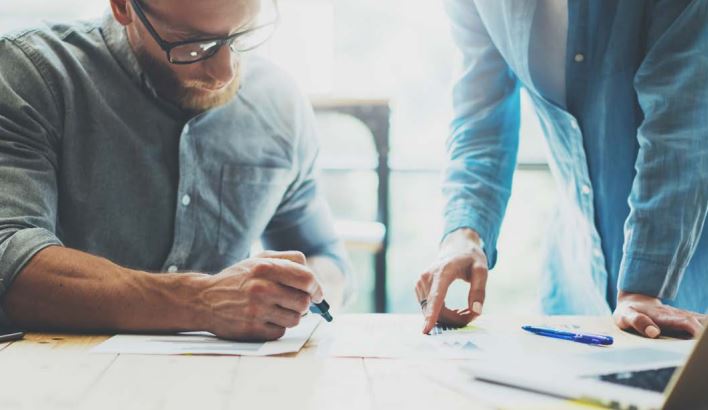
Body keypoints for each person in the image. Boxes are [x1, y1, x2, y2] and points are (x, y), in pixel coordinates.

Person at [0, 0, 353, 341]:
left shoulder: (279, 104)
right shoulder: (32, 75)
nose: (225, 73)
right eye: (193, 44)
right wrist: (202, 300)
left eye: (243, 34)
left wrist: (300, 295)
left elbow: (322, 254)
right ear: (124, 7)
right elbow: (9, 262)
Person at [416, 0, 707, 338]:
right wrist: (464, 234)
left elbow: (680, 127)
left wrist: (644, 286)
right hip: (574, 285)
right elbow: (480, 123)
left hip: (683, 284)